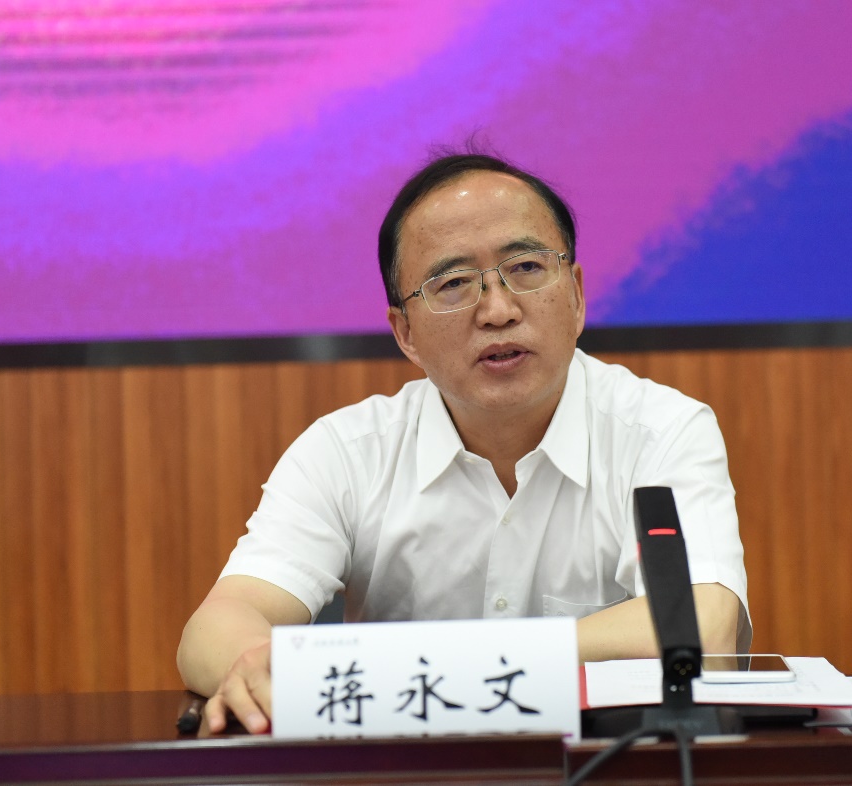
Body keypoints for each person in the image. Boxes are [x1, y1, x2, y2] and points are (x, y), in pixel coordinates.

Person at [177, 152, 750, 735]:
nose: (498, 311)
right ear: (405, 332)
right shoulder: (345, 453)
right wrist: (254, 667)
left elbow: (702, 627)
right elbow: (215, 627)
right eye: (452, 284)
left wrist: (442, 664)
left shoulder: (662, 431)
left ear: (576, 295)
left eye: (526, 267)